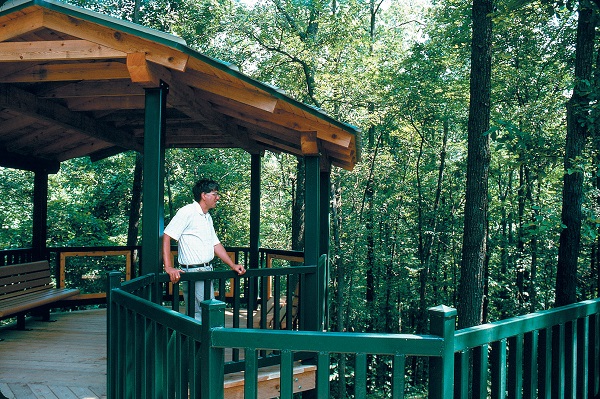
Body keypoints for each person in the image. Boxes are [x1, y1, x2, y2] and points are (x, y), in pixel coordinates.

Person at [163, 178, 246, 321]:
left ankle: (195, 343)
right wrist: (169, 267)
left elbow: (216, 244)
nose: (217, 197)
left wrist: (232, 265)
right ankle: (201, 343)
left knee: (200, 314)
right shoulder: (187, 212)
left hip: (206, 270)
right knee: (204, 315)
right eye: (214, 194)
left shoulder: (207, 216)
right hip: (194, 272)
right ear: (203, 195)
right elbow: (167, 236)